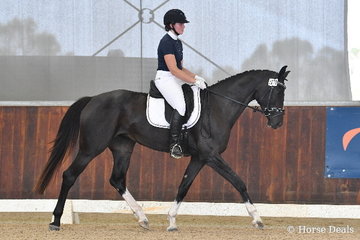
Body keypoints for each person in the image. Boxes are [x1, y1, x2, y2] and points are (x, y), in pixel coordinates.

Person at [155, 9, 207, 159]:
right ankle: (174, 144)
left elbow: (181, 68)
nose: (184, 26)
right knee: (181, 105)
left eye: (183, 24)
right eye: (181, 24)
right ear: (171, 25)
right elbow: (173, 70)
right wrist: (193, 81)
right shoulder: (166, 42)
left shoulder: (177, 43)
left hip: (174, 77)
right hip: (165, 78)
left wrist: (196, 76)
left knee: (194, 94)